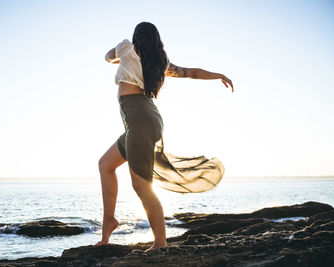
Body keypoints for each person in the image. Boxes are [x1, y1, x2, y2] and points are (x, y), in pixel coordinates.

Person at [96, 22, 234, 252]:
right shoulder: (160, 62)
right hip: (142, 121)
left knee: (141, 186)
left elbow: (107, 57)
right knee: (105, 164)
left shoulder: (126, 48)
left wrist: (121, 56)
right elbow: (191, 73)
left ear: (136, 37)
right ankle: (109, 221)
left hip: (140, 121)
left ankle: (160, 243)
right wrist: (218, 75)